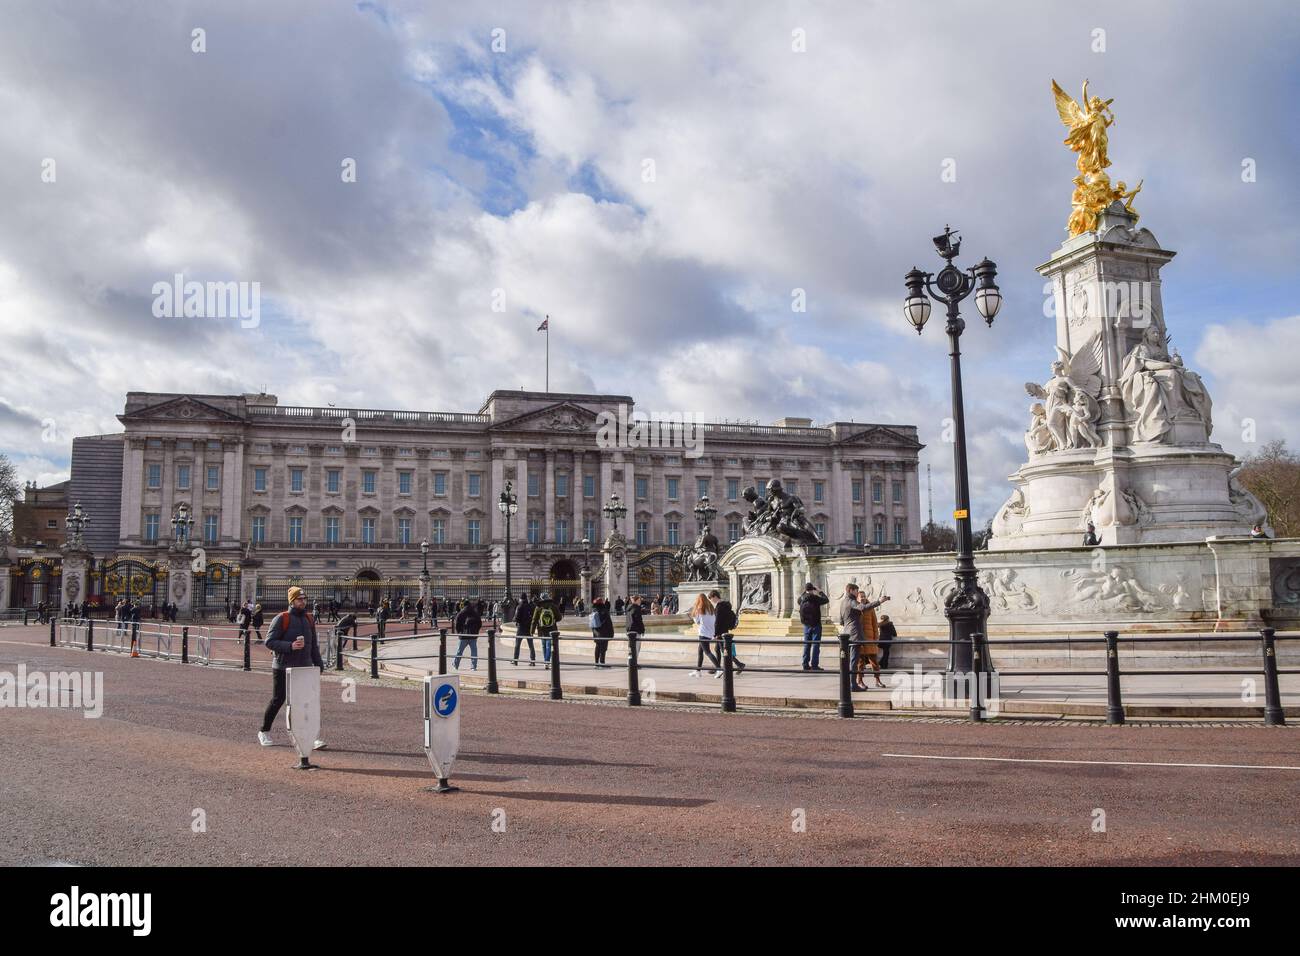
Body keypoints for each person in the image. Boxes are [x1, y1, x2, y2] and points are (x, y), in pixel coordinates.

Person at [258, 587, 326, 750]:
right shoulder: (282, 618)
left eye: (304, 599)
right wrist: (290, 646)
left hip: (303, 666)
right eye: (299, 599)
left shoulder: (309, 619)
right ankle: (264, 731)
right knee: (278, 700)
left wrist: (318, 663)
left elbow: (313, 645)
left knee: (303, 703)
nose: (303, 602)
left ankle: (308, 737)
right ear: (292, 601)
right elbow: (269, 641)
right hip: (283, 666)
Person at [856, 594, 887, 689]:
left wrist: (876, 638)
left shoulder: (871, 608)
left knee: (874, 662)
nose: (863, 598)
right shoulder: (856, 608)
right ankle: (859, 681)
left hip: (870, 639)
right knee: (860, 662)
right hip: (860, 639)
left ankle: (878, 680)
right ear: (857, 598)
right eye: (861, 596)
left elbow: (874, 623)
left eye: (864, 596)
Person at [709, 589, 744, 673]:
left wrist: (715, 634)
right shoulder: (725, 605)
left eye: (711, 598)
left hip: (721, 633)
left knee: (724, 651)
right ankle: (717, 667)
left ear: (715, 597)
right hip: (724, 631)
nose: (711, 601)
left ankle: (739, 665)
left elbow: (718, 621)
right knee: (717, 650)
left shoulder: (720, 607)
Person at [798, 583, 830, 671]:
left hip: (806, 625)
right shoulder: (815, 598)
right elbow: (826, 600)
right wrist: (820, 591)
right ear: (812, 589)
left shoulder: (802, 598)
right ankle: (814, 665)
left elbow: (798, 601)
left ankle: (805, 664)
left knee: (806, 645)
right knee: (816, 645)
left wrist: (804, 592)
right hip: (816, 625)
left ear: (805, 590)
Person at [688, 593, 721, 678]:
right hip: (710, 632)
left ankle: (719, 669)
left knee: (707, 652)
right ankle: (698, 671)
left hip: (703, 633)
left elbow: (697, 622)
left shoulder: (699, 609)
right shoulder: (710, 608)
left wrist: (693, 616)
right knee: (700, 651)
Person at [531, 592, 562, 663]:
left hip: (542, 630)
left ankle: (546, 661)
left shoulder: (538, 607)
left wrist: (532, 631)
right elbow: (559, 618)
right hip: (552, 629)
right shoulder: (553, 606)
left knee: (544, 645)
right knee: (549, 646)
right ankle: (547, 661)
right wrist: (553, 620)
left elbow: (534, 620)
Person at [452, 600, 482, 670]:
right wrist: (476, 632)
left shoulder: (461, 613)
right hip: (473, 635)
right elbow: (479, 623)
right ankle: (473, 666)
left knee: (459, 651)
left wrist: (459, 632)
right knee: (474, 652)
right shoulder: (475, 613)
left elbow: (456, 624)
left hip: (463, 635)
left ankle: (456, 664)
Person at [512, 593, 536, 665]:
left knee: (517, 645)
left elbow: (516, 618)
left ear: (521, 599)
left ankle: (515, 660)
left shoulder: (519, 607)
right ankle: (533, 660)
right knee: (531, 645)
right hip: (529, 628)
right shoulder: (530, 606)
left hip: (521, 628)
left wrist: (515, 620)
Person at [591, 596, 614, 667]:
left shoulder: (594, 610)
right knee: (603, 648)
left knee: (597, 647)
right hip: (604, 632)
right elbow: (609, 623)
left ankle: (596, 663)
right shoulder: (604, 610)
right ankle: (602, 663)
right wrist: (611, 633)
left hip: (596, 632)